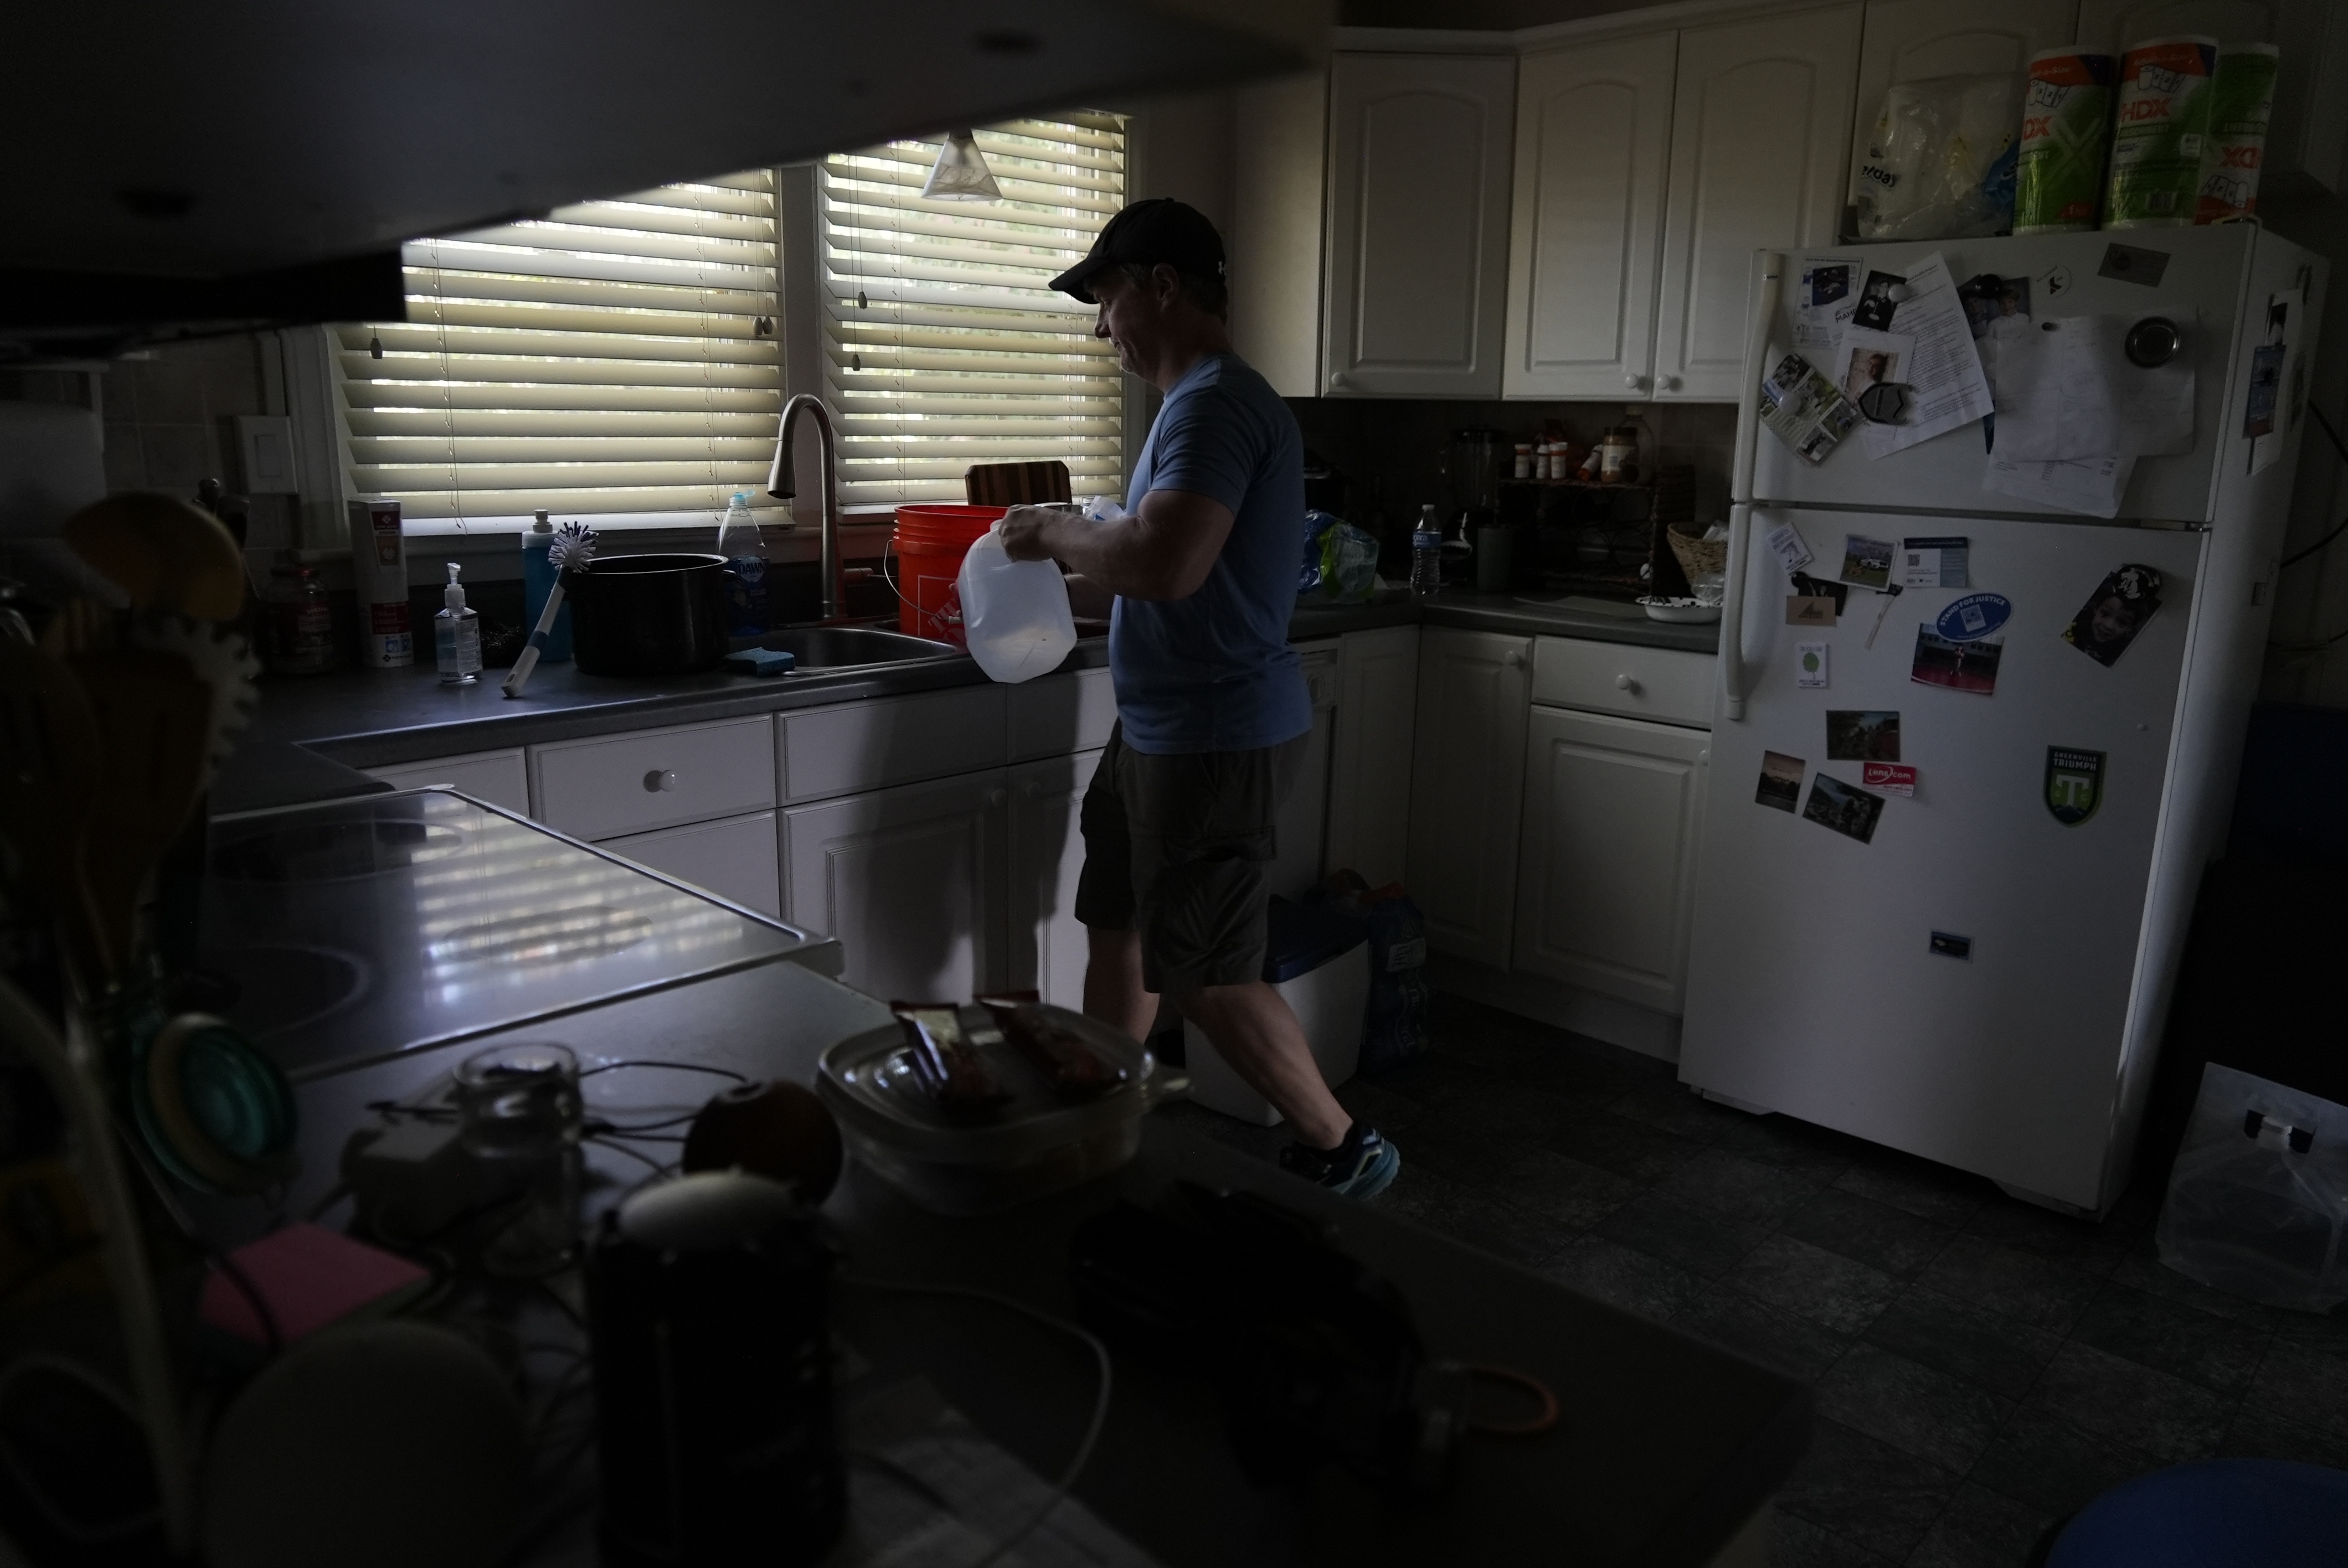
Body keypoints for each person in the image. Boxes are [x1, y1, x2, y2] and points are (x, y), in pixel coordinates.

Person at [996, 199, 1400, 1199]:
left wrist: (1049, 534)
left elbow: (1167, 561)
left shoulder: (1218, 404)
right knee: (1121, 926)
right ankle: (1101, 1116)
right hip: (1160, 729)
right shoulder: (1190, 407)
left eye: (1107, 301)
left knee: (1208, 971)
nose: (1102, 329)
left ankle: (1345, 1148)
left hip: (1214, 740)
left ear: (1163, 286)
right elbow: (1160, 568)